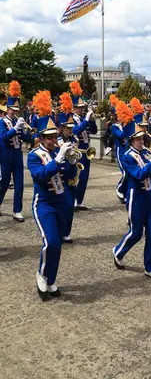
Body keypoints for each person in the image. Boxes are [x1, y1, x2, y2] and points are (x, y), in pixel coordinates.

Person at [27, 90, 77, 300]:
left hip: (62, 202)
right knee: (51, 242)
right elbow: (40, 177)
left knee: (58, 244)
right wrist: (57, 160)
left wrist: (72, 162)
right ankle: (42, 273)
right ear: (40, 138)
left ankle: (51, 279)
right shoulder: (33, 156)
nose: (52, 140)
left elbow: (69, 178)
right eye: (48, 137)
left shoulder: (59, 152)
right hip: (44, 204)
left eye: (54, 136)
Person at [112, 100, 151, 281]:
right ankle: (118, 251)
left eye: (142, 138)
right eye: (139, 139)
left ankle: (150, 267)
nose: (142, 141)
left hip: (149, 195)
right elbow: (140, 174)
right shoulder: (127, 157)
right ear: (132, 140)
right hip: (135, 197)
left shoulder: (144, 153)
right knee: (136, 232)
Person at [0, 81, 31, 221]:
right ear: (7, 109)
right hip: (6, 154)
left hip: (18, 154)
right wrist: (14, 128)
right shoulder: (2, 121)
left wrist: (31, 135)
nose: (15, 112)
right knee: (4, 183)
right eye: (13, 109)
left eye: (16, 109)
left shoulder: (17, 121)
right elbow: (4, 138)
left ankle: (17, 210)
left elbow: (24, 137)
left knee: (19, 184)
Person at [70, 81, 97, 210]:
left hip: (87, 149)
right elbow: (75, 131)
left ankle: (80, 201)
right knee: (76, 176)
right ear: (74, 108)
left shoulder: (84, 118)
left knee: (85, 177)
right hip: (77, 150)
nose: (81, 109)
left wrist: (91, 120)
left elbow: (94, 131)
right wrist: (86, 120)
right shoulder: (71, 118)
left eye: (82, 107)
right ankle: (73, 200)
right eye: (79, 107)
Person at [58, 92, 80, 244]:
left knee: (70, 205)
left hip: (72, 173)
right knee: (62, 205)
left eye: (72, 128)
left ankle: (66, 232)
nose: (71, 131)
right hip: (60, 174)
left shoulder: (74, 138)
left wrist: (75, 158)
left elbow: (77, 154)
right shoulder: (58, 140)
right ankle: (58, 231)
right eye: (68, 128)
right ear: (62, 127)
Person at [110, 96, 128, 204]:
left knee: (129, 173)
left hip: (126, 150)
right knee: (125, 173)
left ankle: (125, 192)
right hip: (120, 151)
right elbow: (120, 135)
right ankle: (119, 189)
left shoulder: (123, 125)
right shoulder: (114, 126)